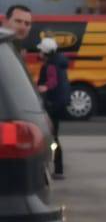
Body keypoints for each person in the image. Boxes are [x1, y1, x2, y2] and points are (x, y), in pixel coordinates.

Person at [35, 36, 67, 176]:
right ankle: (56, 166)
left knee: (53, 139)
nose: (39, 53)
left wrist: (43, 88)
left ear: (46, 53)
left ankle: (57, 167)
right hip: (58, 105)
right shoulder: (58, 64)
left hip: (52, 105)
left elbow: (52, 83)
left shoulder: (51, 66)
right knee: (54, 137)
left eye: (41, 51)